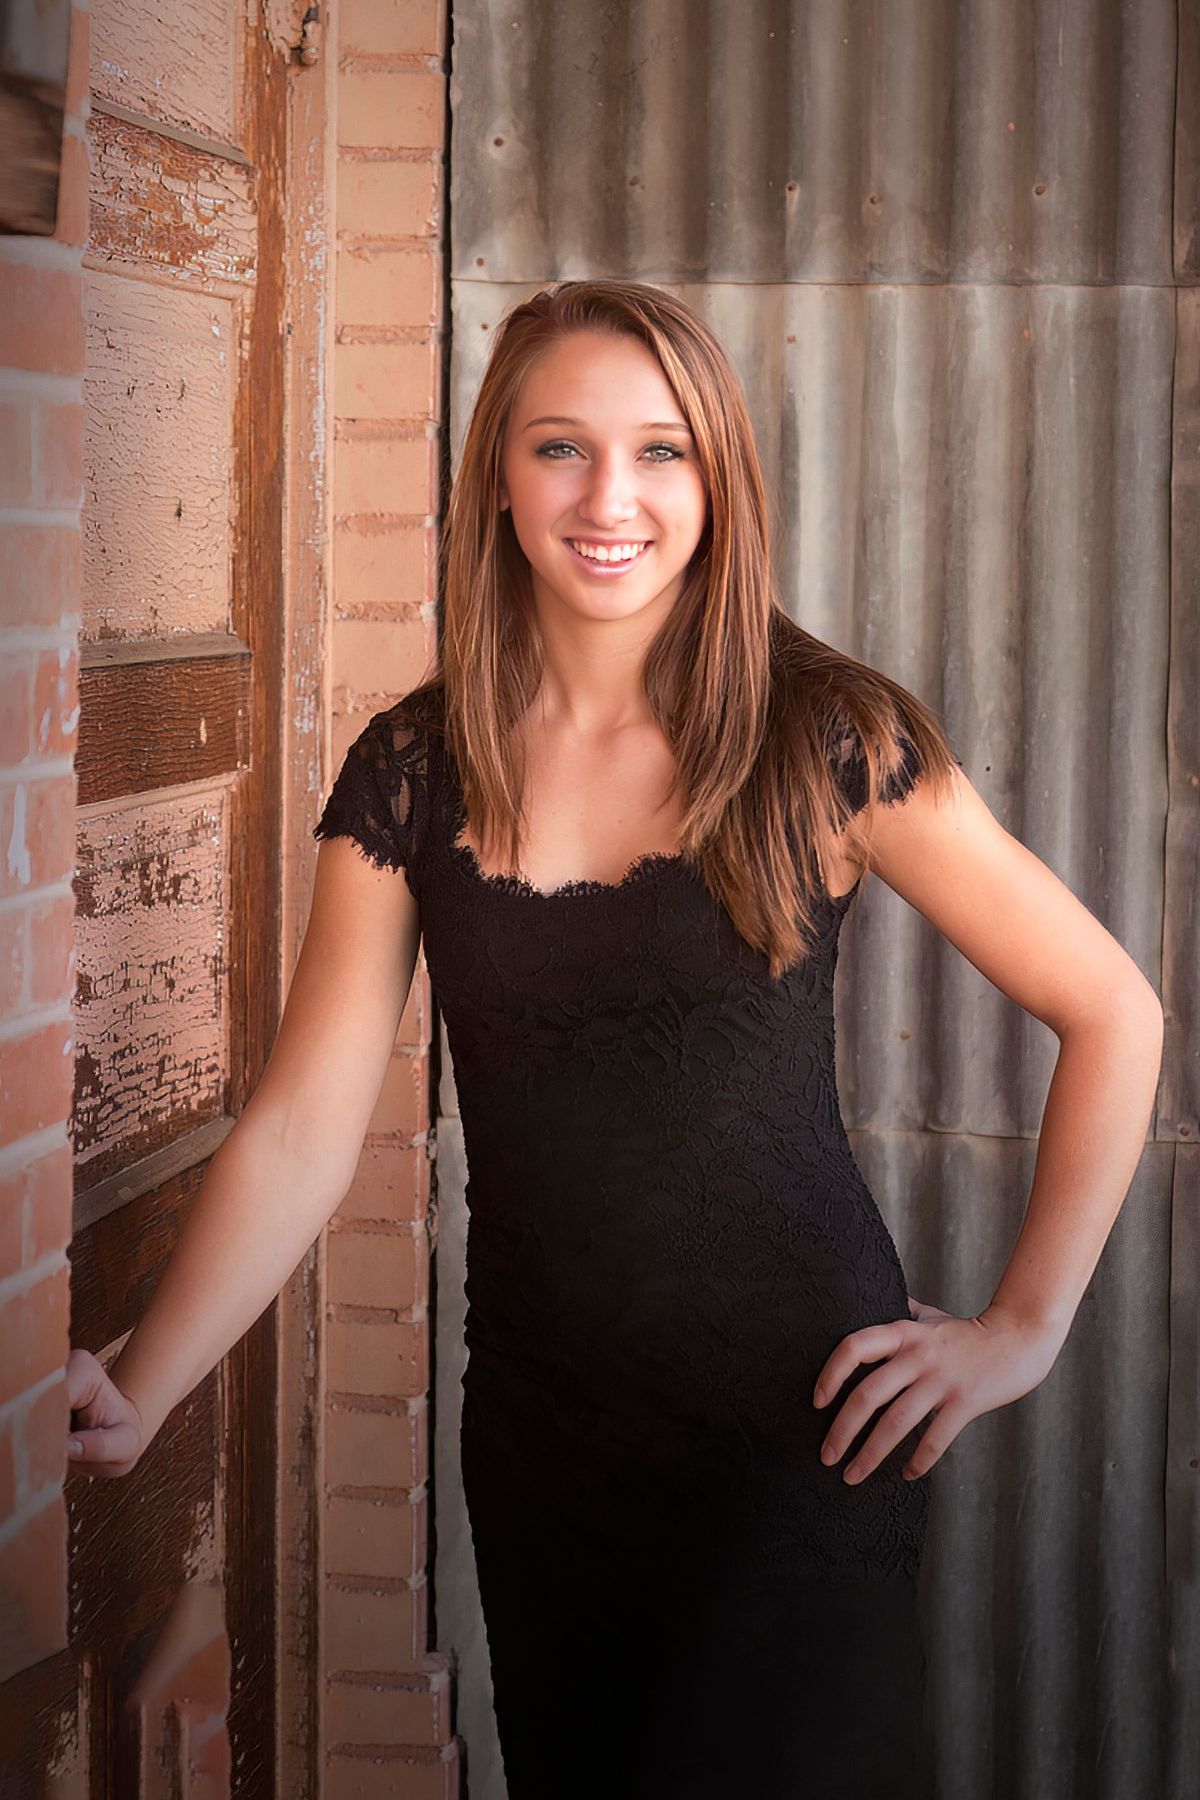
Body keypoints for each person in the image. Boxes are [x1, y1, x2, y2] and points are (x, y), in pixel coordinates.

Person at [66, 279, 1164, 1798]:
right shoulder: (414, 771)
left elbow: (1113, 1010)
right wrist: (146, 1382)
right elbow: (307, 1125)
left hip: (803, 1434)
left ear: (718, 482)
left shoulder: (828, 738)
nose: (610, 499)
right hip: (548, 1442)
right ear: (498, 478)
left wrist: (1023, 1329)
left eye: (661, 452)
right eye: (561, 448)